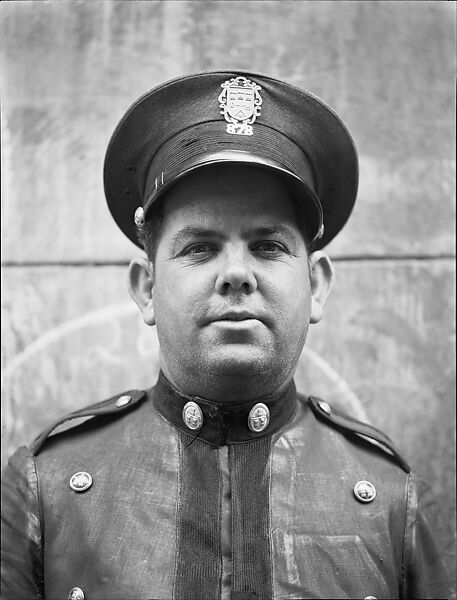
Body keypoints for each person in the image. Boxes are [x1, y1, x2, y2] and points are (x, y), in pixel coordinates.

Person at [1, 71, 451, 600]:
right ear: (146, 287)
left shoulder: (389, 499)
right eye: (200, 247)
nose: (236, 272)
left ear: (316, 285)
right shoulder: (46, 488)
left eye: (267, 246)